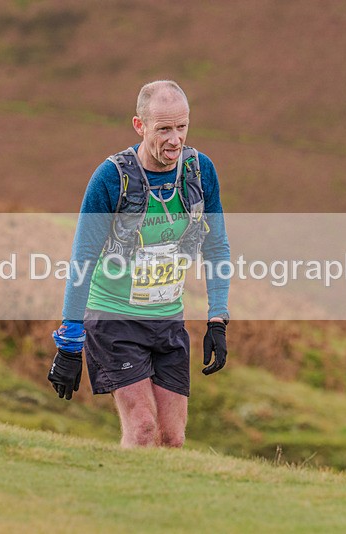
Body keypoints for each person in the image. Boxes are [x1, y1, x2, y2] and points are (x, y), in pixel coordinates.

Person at [47, 80, 230, 448]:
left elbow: (217, 246)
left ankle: (161, 504)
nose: (175, 139)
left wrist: (218, 320)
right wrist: (69, 344)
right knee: (144, 429)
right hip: (115, 319)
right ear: (140, 125)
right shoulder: (112, 178)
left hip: (168, 320)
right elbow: (82, 260)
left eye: (182, 127)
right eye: (164, 128)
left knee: (173, 438)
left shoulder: (199, 171)